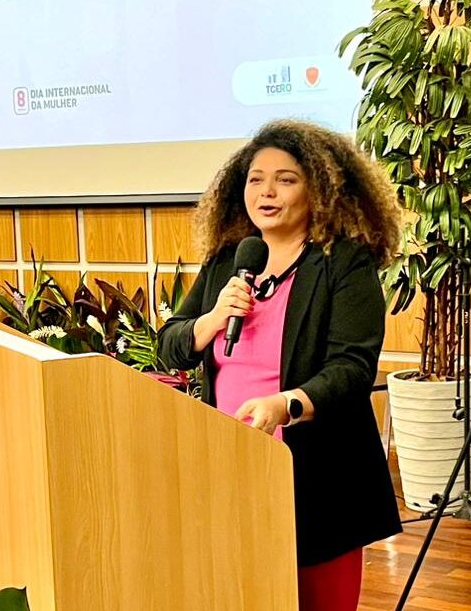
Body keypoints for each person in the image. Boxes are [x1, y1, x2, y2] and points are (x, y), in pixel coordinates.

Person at [158, 119, 403, 611]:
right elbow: (169, 345)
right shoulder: (230, 261)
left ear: (320, 189)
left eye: (286, 179)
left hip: (316, 476)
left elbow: (353, 367)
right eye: (256, 179)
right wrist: (208, 322)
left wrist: (285, 404)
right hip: (229, 468)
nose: (267, 191)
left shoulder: (343, 263)